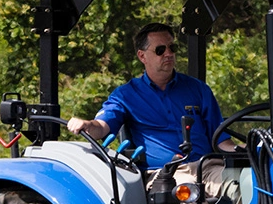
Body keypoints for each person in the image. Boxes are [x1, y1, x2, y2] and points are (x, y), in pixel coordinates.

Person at [69, 23, 238, 166]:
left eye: (172, 48)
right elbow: (101, 127)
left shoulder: (198, 89)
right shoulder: (126, 95)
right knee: (205, 193)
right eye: (160, 50)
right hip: (162, 176)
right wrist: (86, 124)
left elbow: (221, 141)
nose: (169, 53)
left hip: (206, 168)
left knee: (249, 183)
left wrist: (249, 151)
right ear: (142, 56)